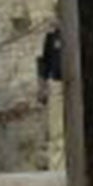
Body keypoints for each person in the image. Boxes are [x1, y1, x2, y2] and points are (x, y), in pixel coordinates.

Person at [36, 24, 65, 174]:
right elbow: (44, 63)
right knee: (56, 131)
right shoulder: (52, 36)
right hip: (57, 84)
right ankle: (57, 168)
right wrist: (41, 87)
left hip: (76, 84)